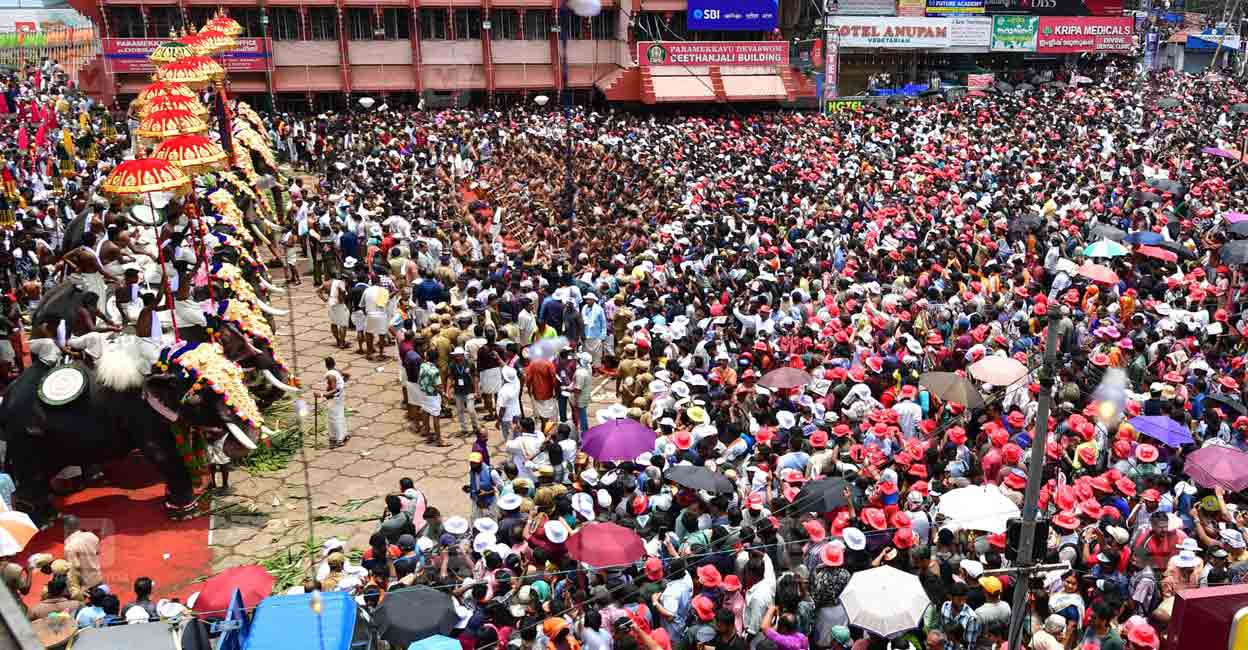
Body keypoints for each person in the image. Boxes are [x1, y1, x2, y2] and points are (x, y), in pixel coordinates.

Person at [446, 347, 480, 436]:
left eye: (459, 355)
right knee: (460, 410)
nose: (457, 357)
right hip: (458, 391)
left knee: (471, 410)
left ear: (463, 355)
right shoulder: (452, 365)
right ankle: (463, 429)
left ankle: (476, 427)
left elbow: (475, 377)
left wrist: (477, 390)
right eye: (456, 355)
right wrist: (448, 391)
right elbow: (450, 378)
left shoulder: (470, 363)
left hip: (470, 390)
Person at [320, 356, 350, 448]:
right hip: (340, 396)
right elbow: (347, 375)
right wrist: (342, 384)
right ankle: (341, 435)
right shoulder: (336, 371)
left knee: (334, 418)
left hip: (335, 398)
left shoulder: (330, 375)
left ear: (326, 365)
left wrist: (321, 395)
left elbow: (334, 390)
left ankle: (339, 439)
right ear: (334, 364)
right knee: (340, 415)